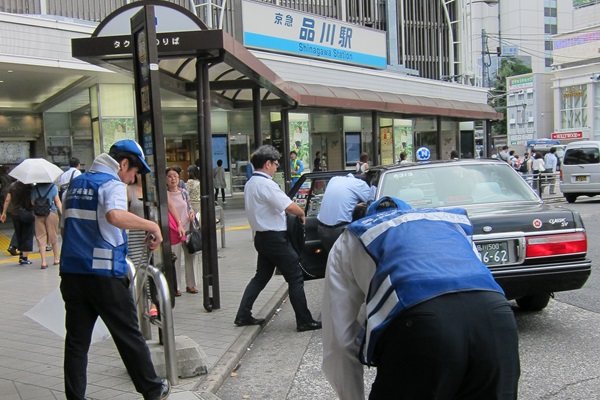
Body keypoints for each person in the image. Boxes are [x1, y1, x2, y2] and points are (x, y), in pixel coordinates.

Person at [322, 196, 520, 400]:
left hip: (422, 324)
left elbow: (341, 341)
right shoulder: (448, 224)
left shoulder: (354, 235)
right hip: (497, 318)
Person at [59, 139, 170, 400]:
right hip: (105, 274)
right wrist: (151, 227)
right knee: (128, 334)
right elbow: (115, 216)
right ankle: (153, 389)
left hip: (72, 272)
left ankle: (75, 397)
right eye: (133, 172)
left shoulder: (75, 184)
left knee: (76, 342)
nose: (133, 178)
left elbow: (65, 228)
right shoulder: (112, 184)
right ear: (123, 164)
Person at [235, 145, 321, 332]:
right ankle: (304, 320)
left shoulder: (251, 183)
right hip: (275, 239)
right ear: (267, 164)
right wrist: (301, 213)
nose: (276, 167)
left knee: (261, 277)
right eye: (275, 164)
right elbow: (289, 206)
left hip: (262, 238)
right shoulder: (266, 184)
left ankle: (243, 314)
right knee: (295, 277)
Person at [317, 173, 373, 252]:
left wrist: (354, 206)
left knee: (332, 260)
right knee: (348, 260)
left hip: (322, 229)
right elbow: (374, 202)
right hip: (338, 230)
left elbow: (339, 203)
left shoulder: (334, 179)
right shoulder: (361, 184)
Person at [166, 167, 198, 295]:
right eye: (170, 176)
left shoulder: (183, 192)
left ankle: (191, 284)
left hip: (187, 227)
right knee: (176, 257)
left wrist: (191, 214)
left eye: (175, 176)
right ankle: (176, 286)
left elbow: (189, 207)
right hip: (174, 230)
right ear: (165, 179)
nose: (173, 178)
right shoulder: (165, 195)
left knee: (191, 255)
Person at [0, 180, 35, 265]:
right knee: (27, 234)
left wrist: (4, 212)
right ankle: (24, 258)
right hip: (27, 213)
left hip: (15, 214)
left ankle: (20, 254)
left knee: (19, 234)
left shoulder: (12, 185)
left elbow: (8, 199)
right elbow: (32, 202)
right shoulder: (29, 186)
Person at [31, 182, 62, 269]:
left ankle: (43, 262)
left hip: (38, 215)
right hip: (51, 212)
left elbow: (33, 202)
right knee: (53, 235)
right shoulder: (53, 187)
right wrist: (62, 213)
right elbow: (57, 201)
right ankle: (56, 259)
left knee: (41, 237)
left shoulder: (35, 188)